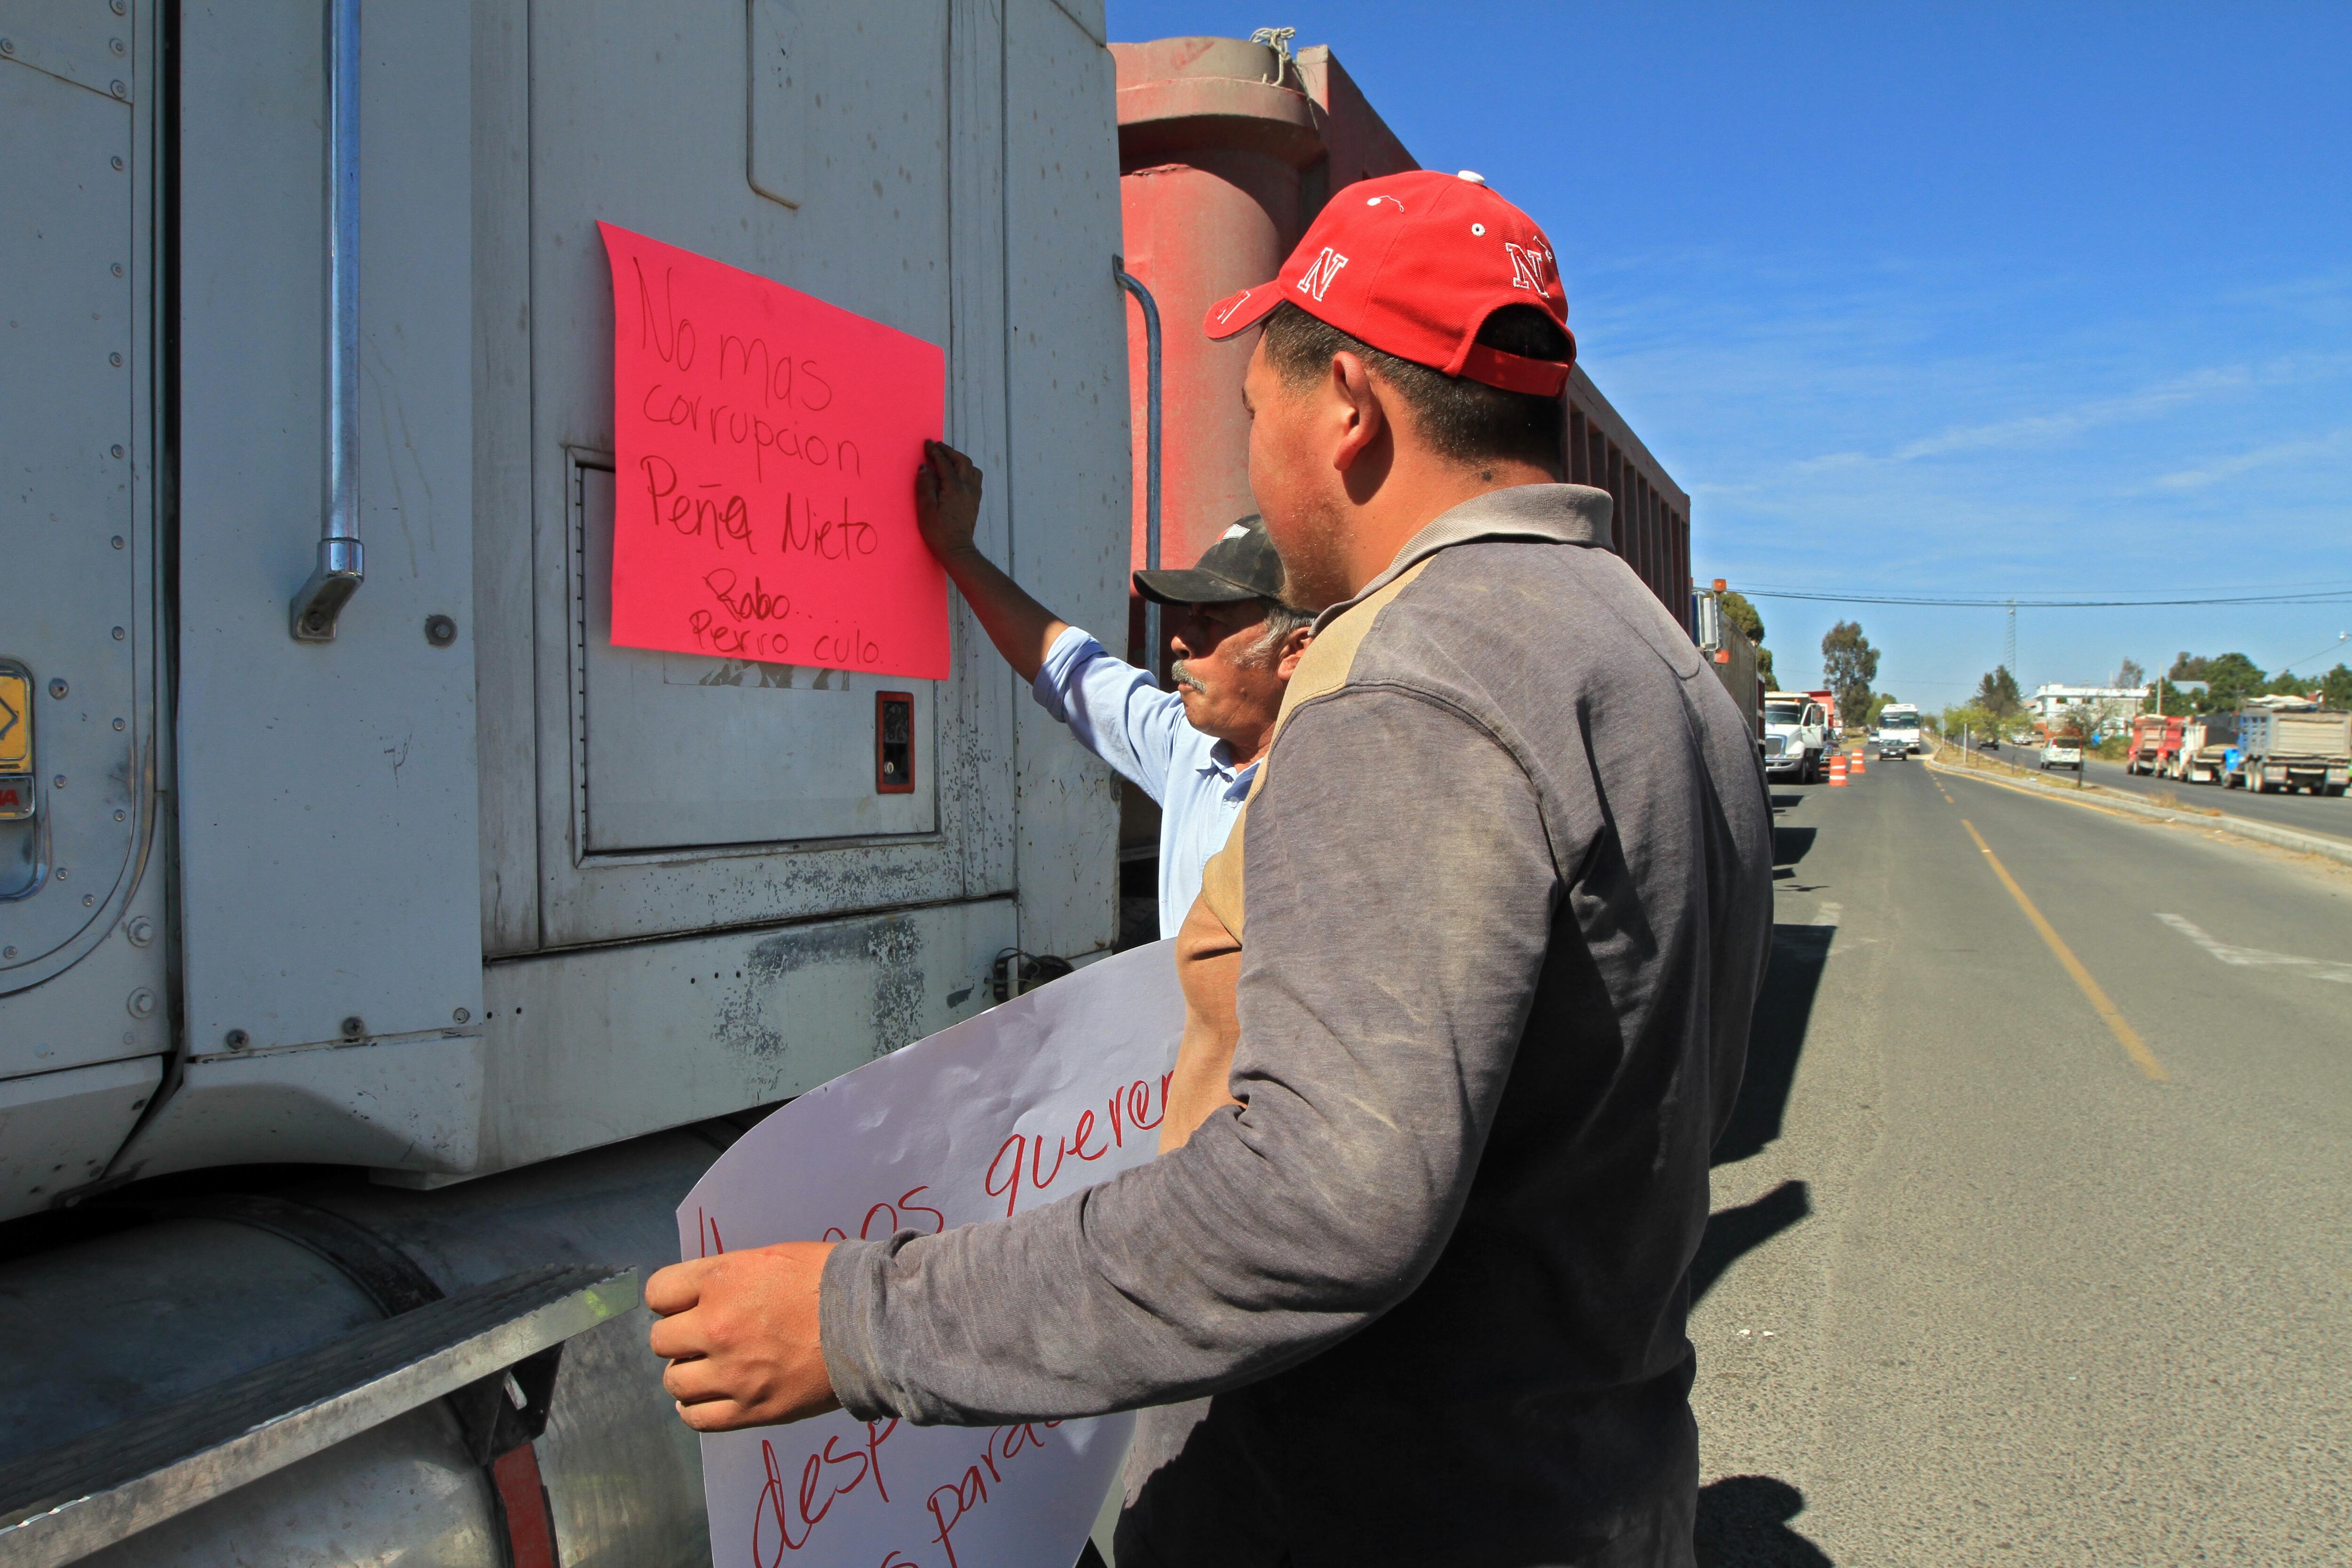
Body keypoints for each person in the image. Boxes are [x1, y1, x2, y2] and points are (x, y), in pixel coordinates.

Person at [645, 169, 1774, 1568]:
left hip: (1380, 1516)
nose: (1251, 461)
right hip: (1592, 1490)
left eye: (1254, 413)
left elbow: (1317, 1199)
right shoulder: (1653, 659)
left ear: (1348, 407)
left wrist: (859, 1320)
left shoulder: (1410, 682)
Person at [911, 440, 1312, 935]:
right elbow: (1070, 669)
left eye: (1211, 621)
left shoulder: (1335, 789)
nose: (1180, 641)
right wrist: (957, 551)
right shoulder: (1187, 746)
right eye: (1186, 617)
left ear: (1295, 651)